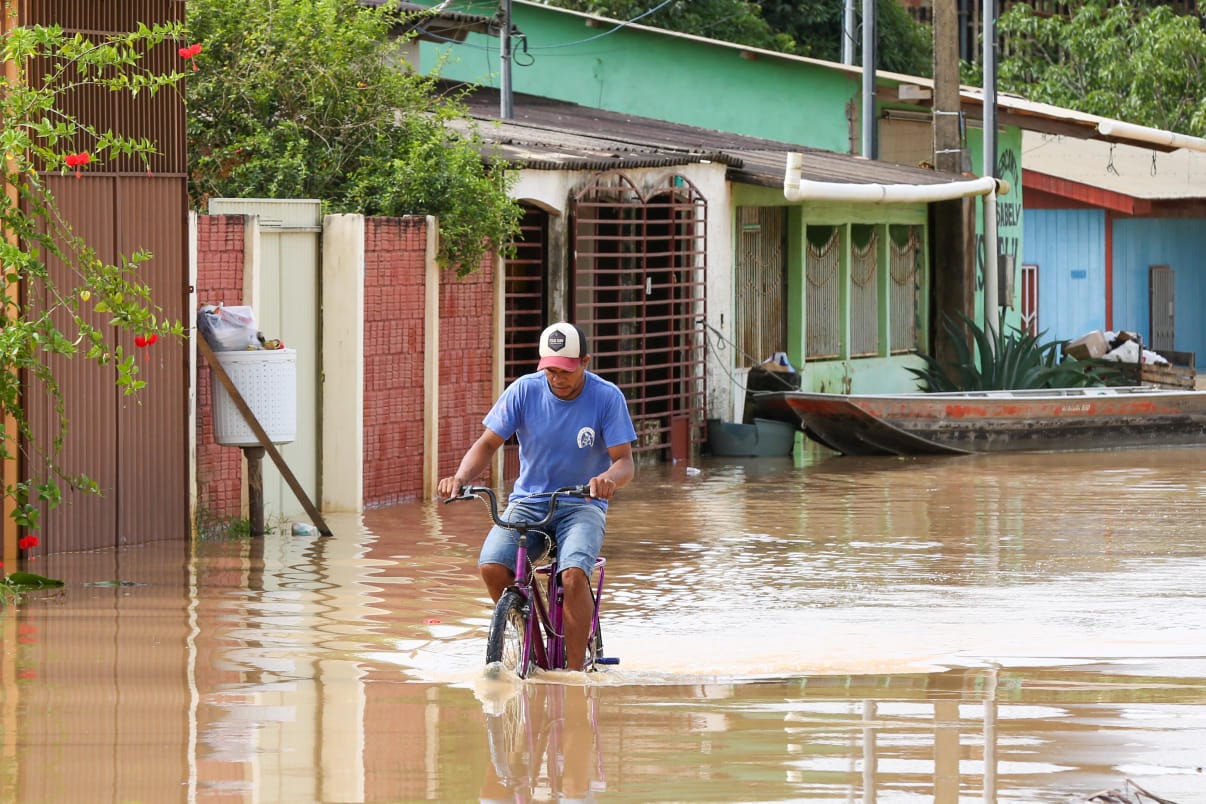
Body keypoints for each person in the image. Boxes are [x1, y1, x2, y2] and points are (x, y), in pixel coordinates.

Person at [438, 322, 636, 671]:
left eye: (566, 371)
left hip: (582, 503)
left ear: (585, 362)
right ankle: (522, 629)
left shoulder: (607, 397)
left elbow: (625, 462)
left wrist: (607, 480)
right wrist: (460, 477)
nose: (557, 379)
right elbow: (487, 444)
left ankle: (575, 675)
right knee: (491, 565)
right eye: (551, 371)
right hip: (529, 502)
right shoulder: (523, 391)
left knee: (574, 575)